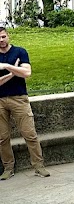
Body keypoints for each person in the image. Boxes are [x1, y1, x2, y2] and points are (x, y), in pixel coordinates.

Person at [0, 27, 49, 179]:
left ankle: (38, 166)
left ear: (8, 36)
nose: (1, 40)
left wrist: (7, 67)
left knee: (30, 134)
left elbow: (27, 73)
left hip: (19, 98)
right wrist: (14, 72)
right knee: (2, 137)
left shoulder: (20, 52)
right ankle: (8, 168)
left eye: (3, 36)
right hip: (0, 100)